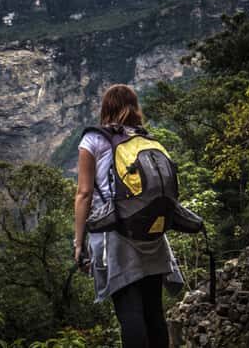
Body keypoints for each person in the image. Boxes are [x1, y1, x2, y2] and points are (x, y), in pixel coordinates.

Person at [73, 84, 184, 348]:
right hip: (152, 234)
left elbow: (84, 193)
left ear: (106, 108)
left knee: (129, 312)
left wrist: (79, 243)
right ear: (135, 108)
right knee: (153, 311)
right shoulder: (148, 140)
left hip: (116, 235)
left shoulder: (93, 140)